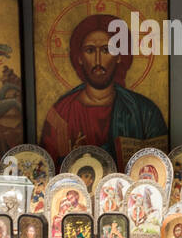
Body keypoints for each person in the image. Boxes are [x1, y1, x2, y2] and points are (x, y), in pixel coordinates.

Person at [40, 14, 167, 165]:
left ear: (119, 56)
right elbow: (49, 169)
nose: (98, 61)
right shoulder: (61, 114)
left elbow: (158, 168)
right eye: (90, 50)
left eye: (106, 50)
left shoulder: (145, 112)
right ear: (79, 57)